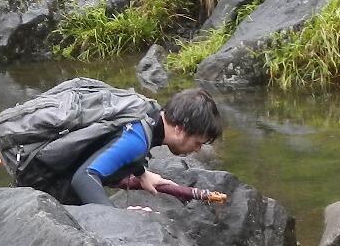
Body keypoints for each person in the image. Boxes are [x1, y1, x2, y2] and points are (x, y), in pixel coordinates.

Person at [67, 88, 223, 205]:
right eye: (198, 143)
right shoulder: (137, 140)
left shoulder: (148, 111)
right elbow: (84, 178)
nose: (197, 149)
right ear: (180, 129)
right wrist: (114, 218)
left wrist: (141, 174)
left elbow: (114, 144)